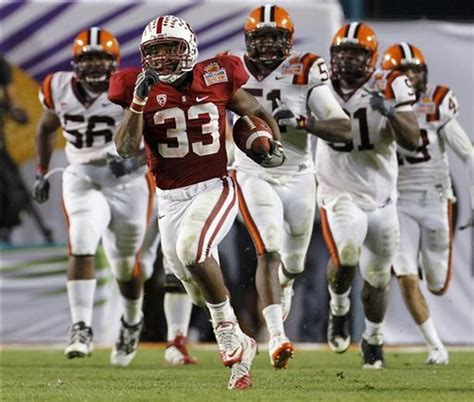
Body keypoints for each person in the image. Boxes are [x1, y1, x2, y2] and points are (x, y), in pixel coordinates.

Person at [108, 15, 286, 390]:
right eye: (154, 52)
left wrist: (274, 143)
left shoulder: (218, 74)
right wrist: (139, 102)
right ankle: (243, 346)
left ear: (187, 47)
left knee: (192, 250)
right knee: (189, 281)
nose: (162, 59)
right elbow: (125, 148)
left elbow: (253, 111)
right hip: (170, 198)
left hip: (214, 186)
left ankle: (224, 328)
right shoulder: (133, 86)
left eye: (169, 49)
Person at [224, 4, 351, 369]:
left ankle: (285, 290)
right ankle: (277, 336)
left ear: (288, 41)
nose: (266, 46)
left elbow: (343, 127)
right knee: (269, 248)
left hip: (297, 175)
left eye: (274, 38)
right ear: (248, 40)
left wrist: (303, 122)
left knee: (292, 265)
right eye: (260, 38)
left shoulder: (306, 69)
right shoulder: (231, 69)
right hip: (253, 172)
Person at [32, 27, 154, 367]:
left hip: (129, 183)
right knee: (81, 239)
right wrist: (42, 172)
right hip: (82, 177)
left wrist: (136, 160)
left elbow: (158, 138)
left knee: (124, 265)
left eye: (101, 58)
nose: (94, 66)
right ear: (75, 62)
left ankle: (131, 321)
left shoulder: (130, 87)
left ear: (114, 62)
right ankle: (81, 327)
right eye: (87, 59)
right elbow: (44, 128)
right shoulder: (56, 87)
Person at [317, 22, 420, 368]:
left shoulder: (391, 84)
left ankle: (373, 338)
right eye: (342, 51)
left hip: (381, 197)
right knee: (346, 254)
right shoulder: (317, 84)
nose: (347, 59)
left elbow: (412, 140)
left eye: (356, 53)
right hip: (338, 192)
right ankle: (339, 307)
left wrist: (391, 112)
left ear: (372, 58)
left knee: (377, 278)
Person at [381, 42, 473, 365]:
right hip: (398, 201)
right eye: (403, 72)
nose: (411, 78)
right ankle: (436, 347)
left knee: (436, 285)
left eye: (416, 71)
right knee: (406, 273)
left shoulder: (438, 102)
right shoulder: (374, 103)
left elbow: (468, 153)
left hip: (435, 199)